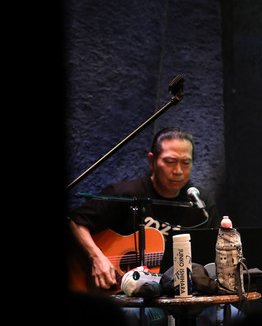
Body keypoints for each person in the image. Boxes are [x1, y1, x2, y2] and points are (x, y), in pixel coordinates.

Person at [68, 127, 219, 325]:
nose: (178, 171)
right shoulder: (125, 194)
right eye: (170, 161)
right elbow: (75, 221)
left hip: (181, 296)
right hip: (126, 296)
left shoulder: (200, 203)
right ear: (152, 161)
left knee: (234, 314)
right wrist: (96, 258)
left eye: (186, 162)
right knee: (133, 315)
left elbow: (211, 254)